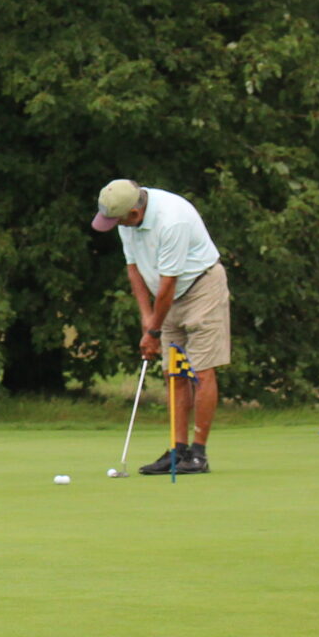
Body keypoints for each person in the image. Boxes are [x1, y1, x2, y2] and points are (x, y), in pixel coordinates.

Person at [91, 178, 230, 474]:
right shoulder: (125, 220)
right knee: (173, 372)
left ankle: (198, 454)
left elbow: (169, 282)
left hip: (202, 287)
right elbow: (134, 269)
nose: (116, 226)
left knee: (201, 371)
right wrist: (147, 319)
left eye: (118, 221)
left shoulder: (171, 221)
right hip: (166, 298)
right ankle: (177, 451)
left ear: (135, 212)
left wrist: (154, 331)